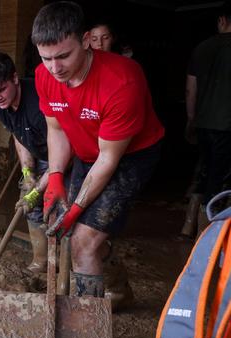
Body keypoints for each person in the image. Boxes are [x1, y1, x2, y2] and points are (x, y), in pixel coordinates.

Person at [31, 1, 164, 309]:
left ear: (86, 40)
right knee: (69, 230)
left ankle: (85, 332)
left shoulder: (122, 81)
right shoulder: (44, 75)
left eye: (64, 56)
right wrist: (54, 177)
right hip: (89, 151)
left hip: (131, 155)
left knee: (81, 242)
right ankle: (117, 289)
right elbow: (58, 130)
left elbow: (108, 159)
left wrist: (77, 208)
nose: (55, 67)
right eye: (46, 57)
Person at [0, 52, 50, 275]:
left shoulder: (41, 103)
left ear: (15, 79)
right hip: (38, 151)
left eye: (1, 90)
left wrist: (39, 189)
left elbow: (63, 155)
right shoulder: (0, 108)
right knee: (27, 201)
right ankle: (41, 262)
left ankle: (69, 270)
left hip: (67, 154)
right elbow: (20, 137)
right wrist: (28, 173)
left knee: (57, 210)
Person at [185, 1, 231, 224]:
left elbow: (190, 89)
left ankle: (188, 224)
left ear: (222, 21)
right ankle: (204, 233)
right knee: (218, 176)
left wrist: (191, 119)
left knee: (203, 169)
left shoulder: (202, 48)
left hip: (203, 122)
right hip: (226, 125)